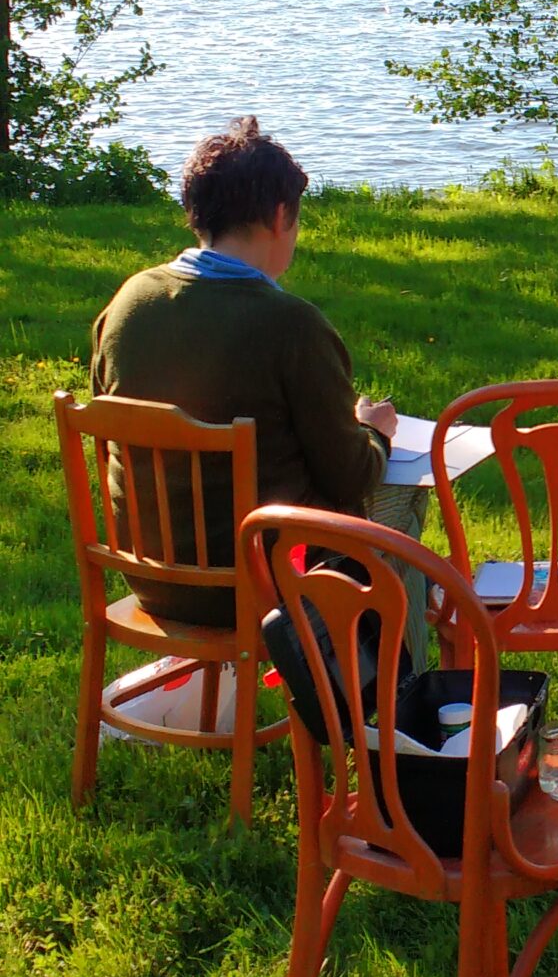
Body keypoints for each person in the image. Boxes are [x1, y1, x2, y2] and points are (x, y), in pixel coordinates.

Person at [91, 117, 399, 626]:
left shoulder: (127, 304)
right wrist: (374, 432)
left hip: (151, 576)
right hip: (268, 584)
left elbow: (112, 434)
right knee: (397, 502)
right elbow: (350, 476)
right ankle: (387, 673)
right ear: (280, 216)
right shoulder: (292, 327)